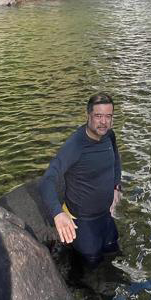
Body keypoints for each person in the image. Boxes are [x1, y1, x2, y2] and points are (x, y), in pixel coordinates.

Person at [40, 93, 122, 268]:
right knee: (90, 266)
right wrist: (57, 214)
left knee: (114, 253)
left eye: (108, 116)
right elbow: (47, 180)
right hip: (83, 221)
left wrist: (116, 186)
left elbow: (116, 159)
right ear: (88, 116)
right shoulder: (75, 145)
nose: (104, 122)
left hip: (105, 217)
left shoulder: (109, 136)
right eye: (98, 116)